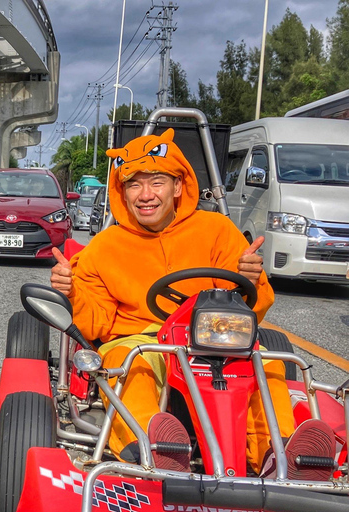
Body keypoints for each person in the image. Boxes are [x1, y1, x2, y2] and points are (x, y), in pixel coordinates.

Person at [49, 129, 334, 480]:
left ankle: (278, 455)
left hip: (213, 336)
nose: (146, 195)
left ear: (179, 186)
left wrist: (251, 276)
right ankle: (152, 452)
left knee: (266, 363)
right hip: (142, 340)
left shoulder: (216, 229)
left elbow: (252, 310)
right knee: (126, 365)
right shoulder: (104, 248)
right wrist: (73, 291)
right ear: (122, 193)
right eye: (134, 185)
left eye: (156, 182)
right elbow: (95, 326)